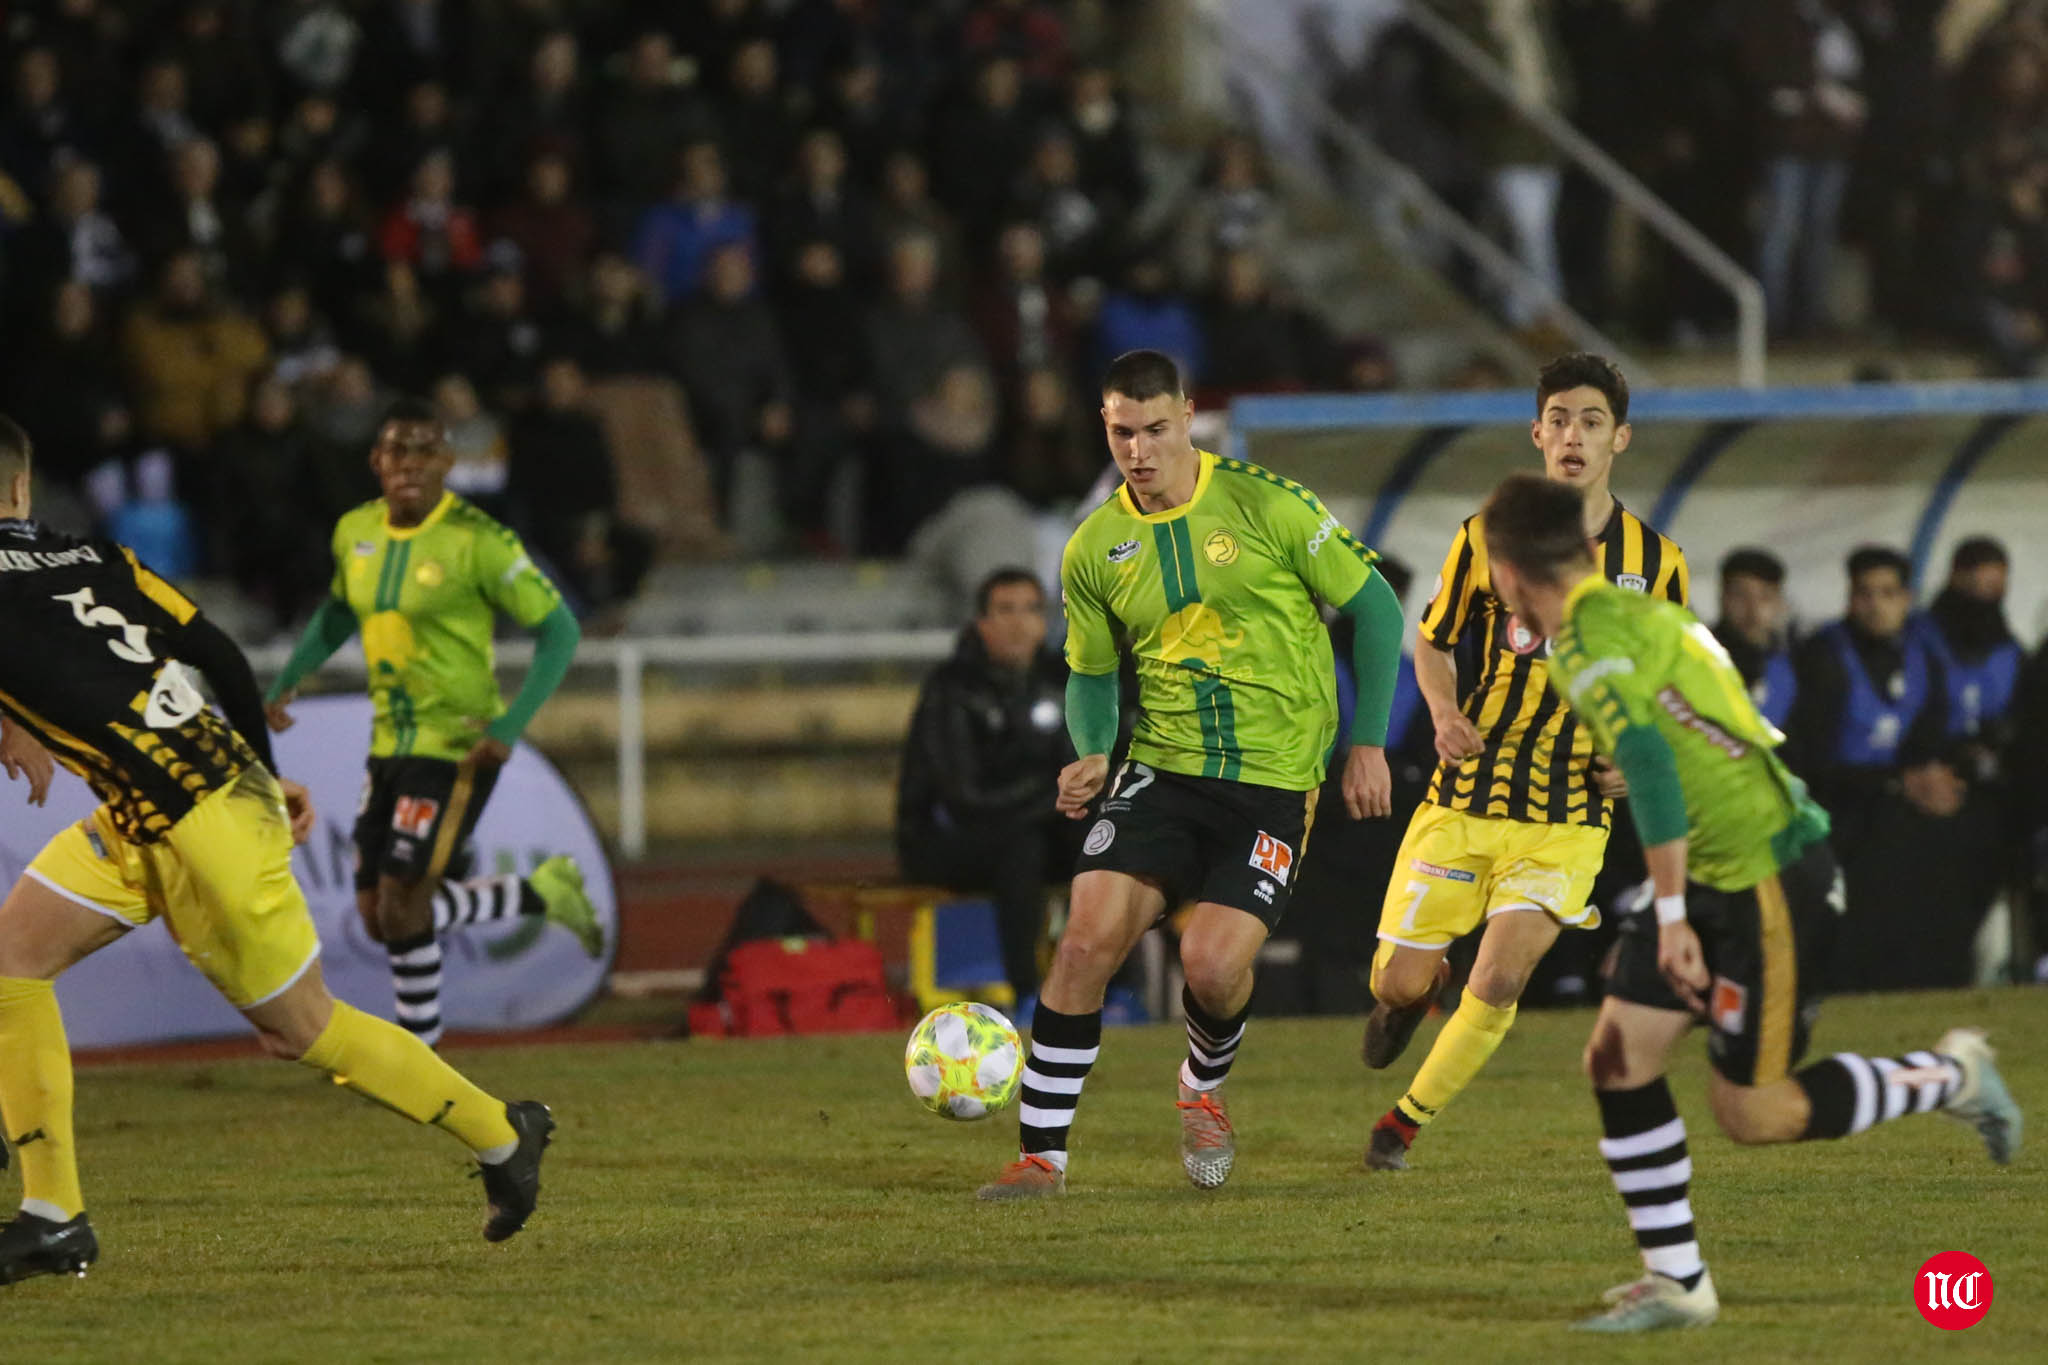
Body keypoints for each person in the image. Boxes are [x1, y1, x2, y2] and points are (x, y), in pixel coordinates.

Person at [0, 415, 554, 1282]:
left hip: (196, 822)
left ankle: (501, 1132)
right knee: (9, 962)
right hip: (176, 796)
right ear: (23, 489)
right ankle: (53, 1214)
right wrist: (266, 770)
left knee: (302, 1028)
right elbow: (212, 649)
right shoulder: (96, 558)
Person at [1476, 472, 2018, 1332]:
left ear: (1505, 571)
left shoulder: (1583, 642)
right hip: (1705, 866)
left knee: (1754, 1112)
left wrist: (1671, 916)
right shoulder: (1643, 611)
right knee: (1618, 1057)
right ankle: (1680, 1284)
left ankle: (1950, 1074)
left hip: (1764, 874)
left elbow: (1652, 767)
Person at [976, 349, 1405, 1200]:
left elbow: (1377, 610)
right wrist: (1093, 749)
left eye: (1156, 429)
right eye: (1122, 432)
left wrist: (1368, 742)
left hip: (1276, 778)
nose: (1139, 450)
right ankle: (1039, 1159)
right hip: (1163, 767)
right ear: (1105, 427)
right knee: (1084, 941)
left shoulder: (1265, 502)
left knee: (1210, 965)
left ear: (1186, 417)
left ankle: (1201, 1087)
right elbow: (1093, 673)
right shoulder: (1096, 546)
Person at [1363, 353, 1689, 1173]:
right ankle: (1411, 997)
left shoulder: (1658, 563)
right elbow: (1433, 642)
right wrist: (1441, 712)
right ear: (1536, 432)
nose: (1573, 436)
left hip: (1571, 809)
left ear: (1621, 437)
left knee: (1503, 975)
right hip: (1471, 785)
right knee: (1399, 983)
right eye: (1559, 419)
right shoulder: (1484, 536)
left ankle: (1400, 1126)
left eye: (1591, 421)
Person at [263, 397, 601, 1050]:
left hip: (457, 742)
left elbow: (559, 629)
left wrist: (509, 727)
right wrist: (288, 676)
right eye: (397, 450)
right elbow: (340, 609)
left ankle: (418, 1053)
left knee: (401, 904)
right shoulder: (355, 531)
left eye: (425, 450)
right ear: (376, 461)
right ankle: (539, 894)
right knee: (376, 914)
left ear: (447, 461)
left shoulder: (480, 540)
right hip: (388, 738)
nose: (410, 464)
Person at [897, 568, 1077, 1004]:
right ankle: (1028, 996)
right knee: (1021, 848)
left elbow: (1078, 767)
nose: (1019, 623)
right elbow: (964, 797)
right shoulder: (951, 689)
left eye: (1031, 610)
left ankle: (1114, 991)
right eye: (1006, 610)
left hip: (1037, 824)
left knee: (1107, 839)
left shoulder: (1060, 680)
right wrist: (1049, 798)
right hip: (945, 840)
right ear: (982, 623)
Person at [1712, 548, 1797, 732]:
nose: (1753, 609)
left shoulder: (1794, 663)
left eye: (1764, 597)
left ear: (1779, 602)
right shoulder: (1697, 655)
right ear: (1722, 597)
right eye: (1740, 596)